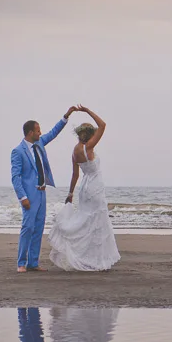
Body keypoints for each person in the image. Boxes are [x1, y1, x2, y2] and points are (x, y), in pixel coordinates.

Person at [48, 105, 120, 271]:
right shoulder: (89, 147)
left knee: (87, 221)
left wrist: (70, 193)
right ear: (89, 135)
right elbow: (103, 125)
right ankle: (95, 259)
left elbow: (75, 175)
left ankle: (86, 256)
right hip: (95, 188)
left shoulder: (75, 151)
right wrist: (87, 111)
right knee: (97, 223)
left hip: (84, 189)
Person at [11, 106, 77, 272]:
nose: (40, 133)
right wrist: (22, 197)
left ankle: (33, 262)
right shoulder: (18, 151)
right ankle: (21, 263)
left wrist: (66, 116)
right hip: (29, 194)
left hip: (42, 192)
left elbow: (53, 133)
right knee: (28, 227)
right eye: (37, 130)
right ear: (30, 132)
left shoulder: (39, 142)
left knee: (38, 228)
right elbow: (15, 177)